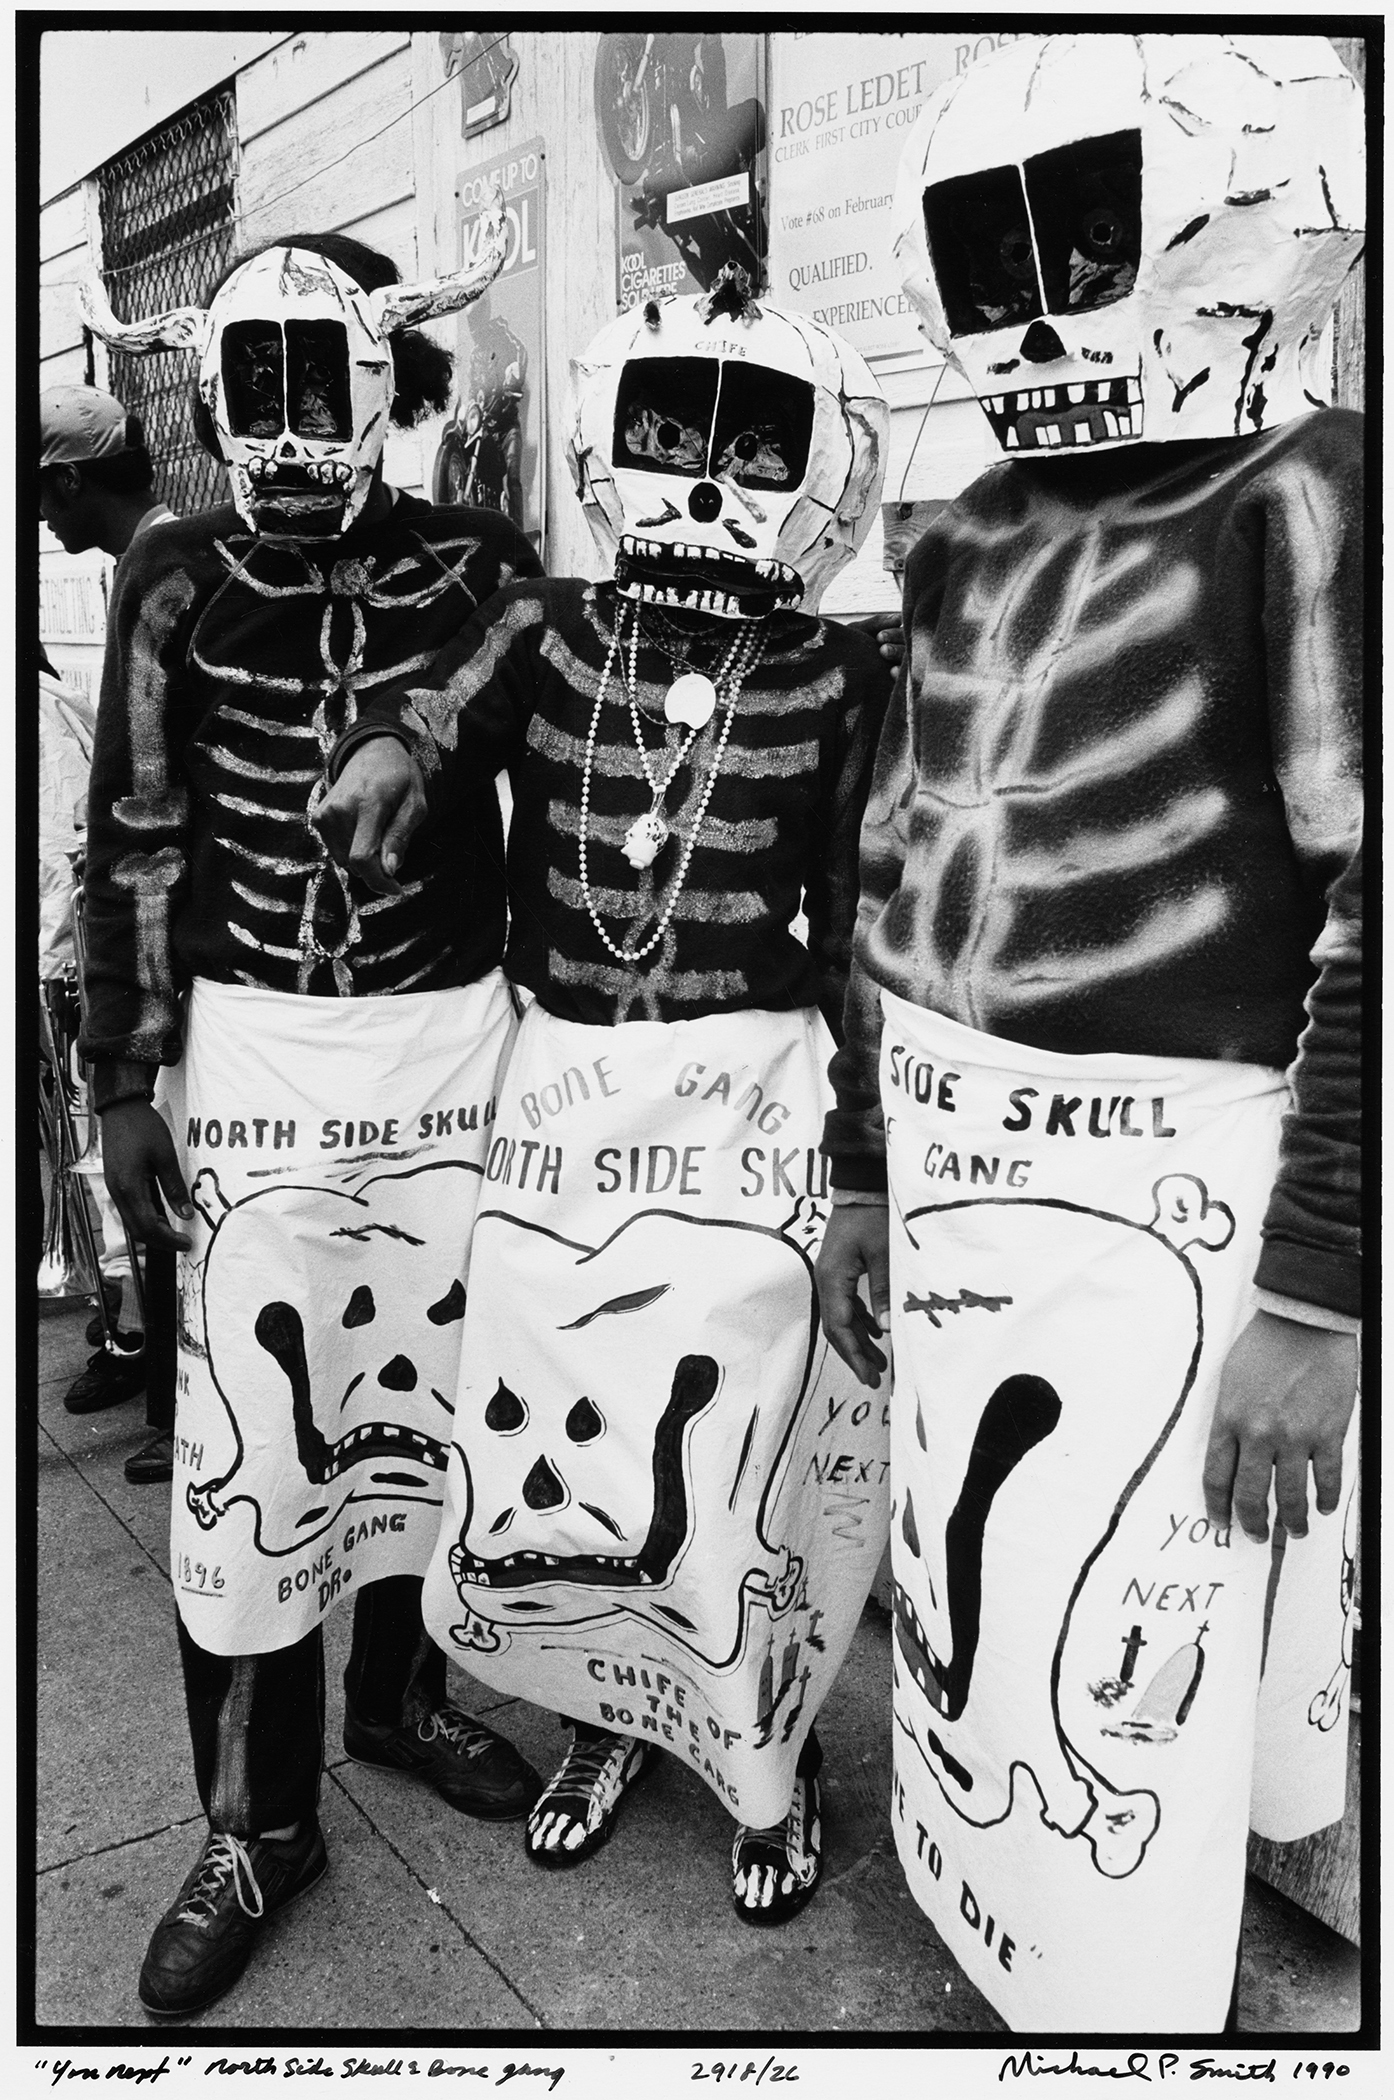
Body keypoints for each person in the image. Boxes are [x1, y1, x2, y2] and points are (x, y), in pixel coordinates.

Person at [815, 33, 1363, 2033]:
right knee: (978, 1594)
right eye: (992, 251)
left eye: (1079, 237)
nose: (1039, 306)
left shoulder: (1315, 493)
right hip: (968, 1185)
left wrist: (1317, 1292)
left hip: (1188, 1203)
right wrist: (871, 1176)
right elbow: (894, 856)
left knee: (1157, 1621)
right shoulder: (955, 532)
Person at [318, 272, 894, 1924]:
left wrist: (858, 1171)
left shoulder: (843, 672)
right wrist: (390, 755)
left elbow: (854, 925)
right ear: (609, 436)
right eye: (664, 430)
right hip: (559, 1095)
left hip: (744, 1104)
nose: (701, 477)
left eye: (745, 441)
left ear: (814, 466)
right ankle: (602, 1727)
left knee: (726, 1450)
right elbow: (438, 718)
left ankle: (762, 1761)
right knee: (553, 1448)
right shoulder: (554, 622)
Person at [78, 220, 546, 2017]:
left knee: (424, 1422)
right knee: (253, 1455)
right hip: (255, 1067)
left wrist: (424, 729)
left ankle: (404, 1697)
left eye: (311, 384)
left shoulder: (474, 561)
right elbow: (133, 824)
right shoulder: (177, 573)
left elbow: (529, 645)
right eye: (244, 389)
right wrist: (126, 1075)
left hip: (442, 1056)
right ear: (207, 395)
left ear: (380, 383)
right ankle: (257, 1820)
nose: (278, 430)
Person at [39, 387, 178, 1431]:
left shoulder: (165, 566)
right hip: (149, 926)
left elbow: (148, 795)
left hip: (168, 938)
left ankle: (168, 1386)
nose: (41, 516)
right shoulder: (144, 562)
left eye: (43, 492)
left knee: (148, 1164)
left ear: (73, 480)